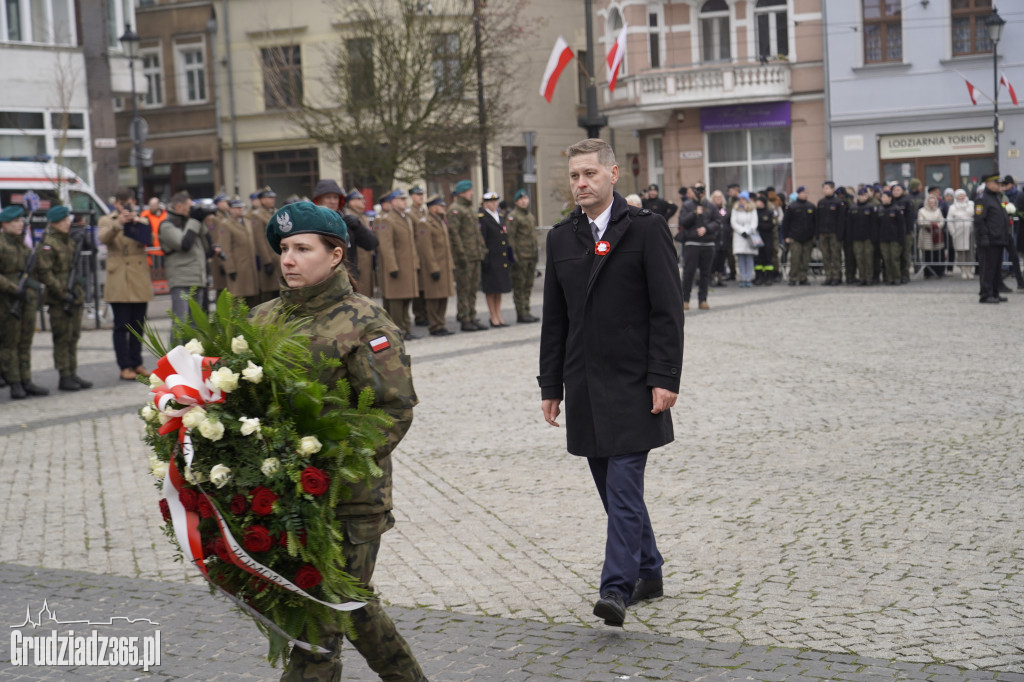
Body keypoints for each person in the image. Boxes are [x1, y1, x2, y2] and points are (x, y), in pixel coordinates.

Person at [250, 201, 427, 682]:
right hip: (283, 501)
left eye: (303, 248)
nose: (288, 259)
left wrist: (333, 462)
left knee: (316, 633)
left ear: (335, 255)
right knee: (350, 605)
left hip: (348, 502)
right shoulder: (261, 320)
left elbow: (393, 408)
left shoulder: (367, 324)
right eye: (284, 248)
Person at [538, 138, 683, 628]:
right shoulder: (561, 238)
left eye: (589, 175)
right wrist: (550, 386)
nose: (581, 184)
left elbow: (667, 310)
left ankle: (616, 588)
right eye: (575, 176)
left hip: (634, 384)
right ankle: (651, 569)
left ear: (613, 174)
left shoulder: (645, 229)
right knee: (611, 489)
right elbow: (554, 322)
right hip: (584, 384)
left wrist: (664, 377)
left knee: (623, 486)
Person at [98, 186, 154, 381]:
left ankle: (137, 362)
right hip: (119, 277)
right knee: (121, 326)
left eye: (129, 203)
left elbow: (150, 238)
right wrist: (119, 225)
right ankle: (125, 365)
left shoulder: (142, 219)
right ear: (116, 204)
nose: (126, 208)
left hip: (137, 277)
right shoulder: (107, 220)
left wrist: (137, 222)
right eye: (122, 204)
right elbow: (103, 238)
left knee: (138, 325)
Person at [36, 205, 93, 392]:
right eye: (65, 221)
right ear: (55, 223)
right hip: (58, 297)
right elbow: (45, 273)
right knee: (62, 337)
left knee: (73, 336)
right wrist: (62, 293)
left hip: (73, 295)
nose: (68, 223)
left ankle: (72, 372)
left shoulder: (67, 241)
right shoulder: (48, 243)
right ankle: (64, 375)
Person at [0, 205, 48, 399]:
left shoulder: (23, 244)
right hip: (7, 300)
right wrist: (13, 289)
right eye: (15, 221)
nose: (20, 224)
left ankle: (26, 379)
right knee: (9, 343)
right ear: (4, 224)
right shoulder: (2, 244)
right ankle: (15, 383)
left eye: (20, 221)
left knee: (25, 341)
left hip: (26, 298)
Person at [160, 192, 212, 338]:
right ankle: (175, 359)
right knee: (180, 323)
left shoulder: (191, 223)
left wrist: (200, 221)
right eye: (190, 207)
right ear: (179, 206)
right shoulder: (167, 225)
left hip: (198, 279)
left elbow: (209, 246)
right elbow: (184, 244)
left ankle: (192, 359)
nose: (193, 210)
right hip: (181, 281)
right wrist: (195, 220)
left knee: (196, 325)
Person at [376, 189, 421, 339]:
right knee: (396, 300)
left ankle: (406, 328)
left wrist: (416, 263)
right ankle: (398, 330)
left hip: (408, 266)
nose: (404, 201)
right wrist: (392, 267)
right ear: (393, 202)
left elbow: (412, 244)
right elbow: (386, 246)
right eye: (400, 199)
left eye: (404, 199)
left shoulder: (406, 218)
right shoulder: (388, 220)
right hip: (397, 266)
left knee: (407, 298)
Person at [446, 180, 487, 332]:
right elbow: (454, 235)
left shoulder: (469, 209)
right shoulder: (455, 210)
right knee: (464, 288)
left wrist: (482, 249)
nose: (472, 193)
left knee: (473, 288)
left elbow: (476, 232)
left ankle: (471, 315)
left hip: (474, 255)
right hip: (465, 257)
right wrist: (461, 255)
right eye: (470, 191)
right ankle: (464, 318)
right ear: (462, 192)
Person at [677, 181, 721, 309]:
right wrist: (694, 213)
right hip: (692, 243)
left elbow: (717, 222)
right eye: (697, 189)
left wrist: (706, 229)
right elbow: (682, 222)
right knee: (688, 273)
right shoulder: (687, 205)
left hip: (708, 243)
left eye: (701, 189)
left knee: (705, 273)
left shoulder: (711, 206)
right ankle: (685, 300)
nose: (699, 192)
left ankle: (703, 300)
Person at [975, 173, 1012, 304]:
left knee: (996, 269)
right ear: (989, 183)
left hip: (998, 238)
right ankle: (985, 294)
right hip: (988, 240)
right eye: (997, 183)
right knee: (987, 268)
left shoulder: (995, 197)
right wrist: (984, 236)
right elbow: (980, 220)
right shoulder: (982, 198)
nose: (999, 186)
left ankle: (994, 292)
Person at [218, 198, 260, 307]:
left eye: (241, 207)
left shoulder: (246, 221)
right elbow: (225, 249)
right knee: (238, 300)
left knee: (253, 300)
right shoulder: (226, 224)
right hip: (238, 267)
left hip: (250, 267)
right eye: (237, 208)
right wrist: (230, 269)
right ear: (230, 209)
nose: (240, 210)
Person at [478, 190, 512, 327]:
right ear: (485, 204)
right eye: (490, 202)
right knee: (491, 289)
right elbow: (482, 239)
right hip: (490, 257)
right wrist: (484, 258)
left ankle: (498, 314)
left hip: (501, 257)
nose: (494, 204)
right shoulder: (483, 218)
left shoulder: (500, 216)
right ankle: (493, 316)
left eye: (495, 201)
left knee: (499, 288)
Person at [507, 189, 540, 323]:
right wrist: (513, 256)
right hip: (520, 256)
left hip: (530, 255)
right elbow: (511, 238)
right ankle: (521, 312)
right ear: (516, 201)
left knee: (528, 284)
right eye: (521, 199)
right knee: (519, 286)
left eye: (525, 198)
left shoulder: (530, 216)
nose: (524, 201)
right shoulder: (513, 216)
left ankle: (527, 309)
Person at [342, 189, 378, 296]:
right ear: (351, 202)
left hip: (366, 261)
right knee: (359, 293)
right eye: (359, 199)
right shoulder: (348, 217)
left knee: (366, 293)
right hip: (357, 263)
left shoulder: (362, 216)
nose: (363, 201)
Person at [783, 186, 816, 285]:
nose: (805, 194)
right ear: (798, 194)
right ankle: (793, 278)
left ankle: (803, 278)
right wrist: (786, 237)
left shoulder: (811, 206)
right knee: (795, 259)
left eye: (806, 193)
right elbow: (786, 223)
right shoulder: (792, 207)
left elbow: (815, 222)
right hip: (795, 237)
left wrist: (814, 235)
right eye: (802, 193)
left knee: (805, 259)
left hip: (808, 237)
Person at [816, 181, 845, 285]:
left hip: (834, 233)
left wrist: (840, 234)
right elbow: (817, 219)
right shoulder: (821, 202)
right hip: (823, 232)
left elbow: (841, 220)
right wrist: (817, 234)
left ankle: (837, 277)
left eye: (827, 188)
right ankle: (828, 276)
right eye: (824, 188)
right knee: (825, 256)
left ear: (833, 189)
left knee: (836, 255)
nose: (825, 190)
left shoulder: (838, 202)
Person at [730, 191, 758, 288]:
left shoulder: (752, 209)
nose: (742, 201)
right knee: (741, 259)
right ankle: (742, 278)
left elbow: (754, 222)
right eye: (740, 199)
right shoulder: (735, 209)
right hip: (739, 236)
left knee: (749, 258)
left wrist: (749, 230)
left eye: (743, 199)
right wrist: (742, 231)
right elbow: (733, 222)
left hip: (750, 236)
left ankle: (749, 278)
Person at [876, 190, 905, 285]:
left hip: (895, 239)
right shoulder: (880, 209)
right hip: (883, 238)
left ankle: (897, 277)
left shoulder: (896, 209)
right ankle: (889, 278)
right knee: (886, 259)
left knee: (894, 259)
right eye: (882, 197)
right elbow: (878, 225)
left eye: (884, 197)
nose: (882, 199)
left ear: (890, 198)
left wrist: (901, 239)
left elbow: (901, 226)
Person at [947, 189, 975, 279]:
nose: (962, 197)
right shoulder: (953, 207)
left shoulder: (970, 204)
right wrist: (952, 232)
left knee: (970, 252)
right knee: (961, 252)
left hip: (970, 231)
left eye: (963, 195)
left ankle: (969, 270)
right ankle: (963, 270)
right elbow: (949, 221)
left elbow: (973, 214)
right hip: (958, 232)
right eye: (960, 195)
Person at [916, 194, 946, 279]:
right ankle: (927, 273)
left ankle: (939, 271)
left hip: (937, 234)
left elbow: (942, 221)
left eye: (933, 202)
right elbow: (920, 222)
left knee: (938, 254)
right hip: (926, 235)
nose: (932, 204)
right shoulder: (922, 211)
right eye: (930, 202)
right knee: (927, 254)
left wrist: (936, 225)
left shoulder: (938, 211)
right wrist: (931, 224)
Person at [753, 193, 777, 285]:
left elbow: (771, 225)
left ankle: (769, 277)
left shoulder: (769, 212)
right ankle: (759, 277)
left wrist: (758, 226)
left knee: (768, 258)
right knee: (758, 259)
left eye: (758, 201)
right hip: (757, 239)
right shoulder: (754, 212)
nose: (756, 203)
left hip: (767, 238)